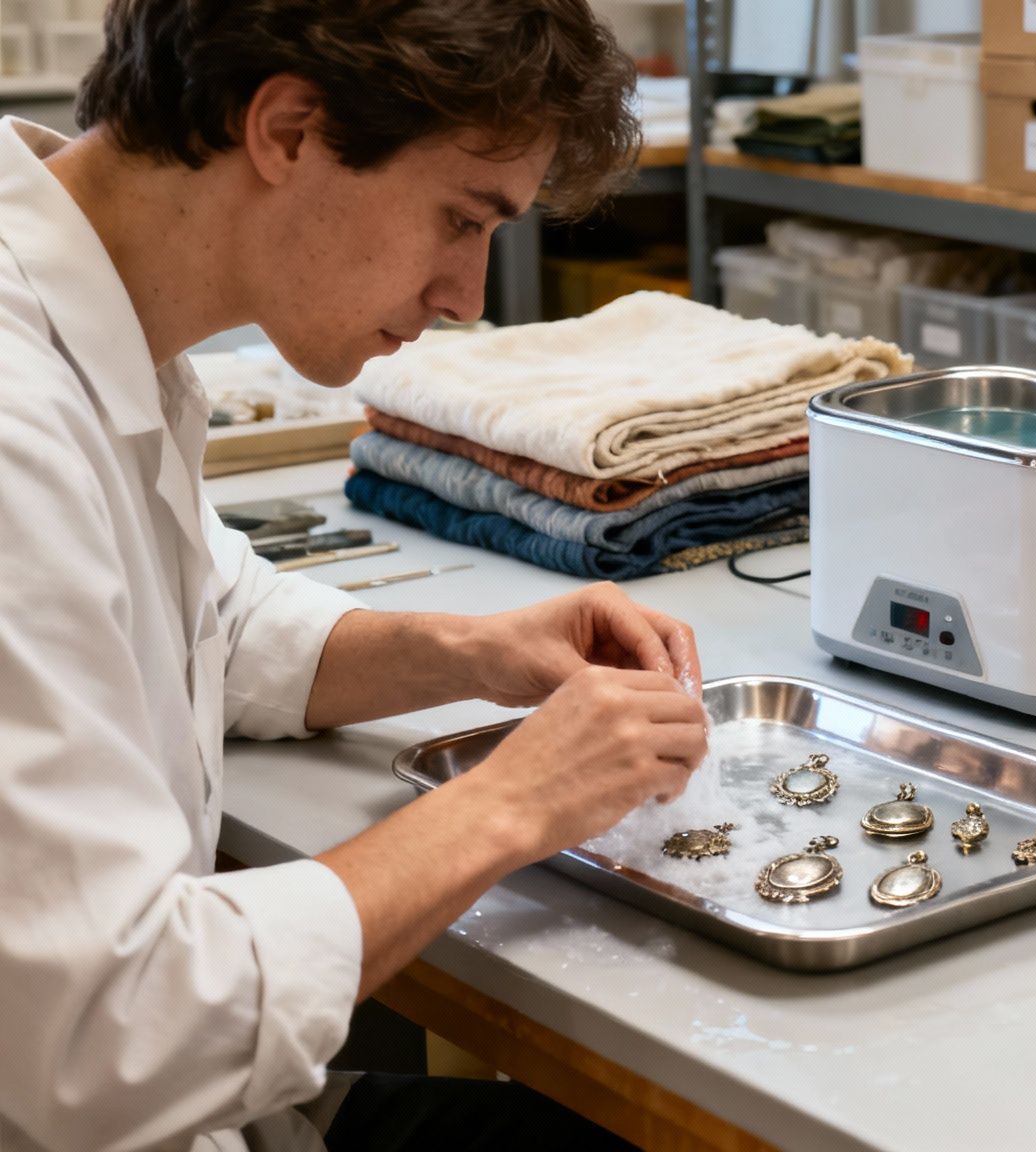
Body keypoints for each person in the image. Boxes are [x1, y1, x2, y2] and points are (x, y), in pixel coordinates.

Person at [0, 3, 711, 1149]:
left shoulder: (100, 319)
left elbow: (202, 619)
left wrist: (468, 653)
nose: (466, 295)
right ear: (288, 128)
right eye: (460, 219)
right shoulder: (12, 425)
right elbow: (106, 1041)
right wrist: (513, 801)